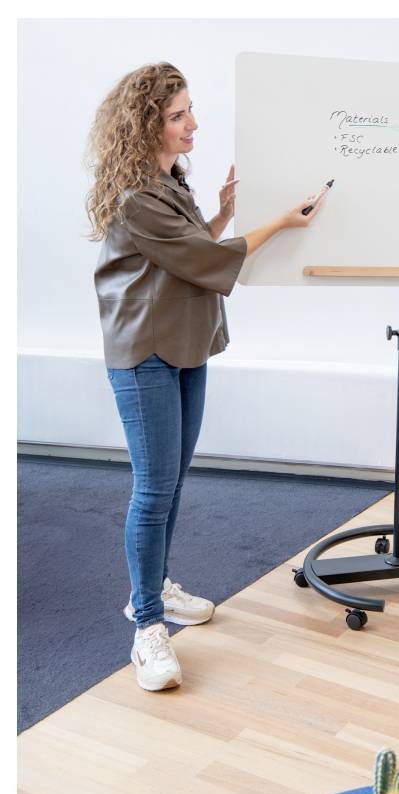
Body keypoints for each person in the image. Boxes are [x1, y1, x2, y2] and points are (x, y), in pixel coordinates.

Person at [85, 62, 326, 692]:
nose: (193, 123)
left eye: (190, 110)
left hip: (184, 344)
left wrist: (218, 214)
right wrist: (279, 221)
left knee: (172, 479)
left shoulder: (170, 183)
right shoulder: (137, 196)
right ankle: (146, 627)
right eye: (177, 115)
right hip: (147, 353)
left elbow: (187, 252)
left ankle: (155, 586)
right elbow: (206, 259)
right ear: (147, 125)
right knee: (154, 488)